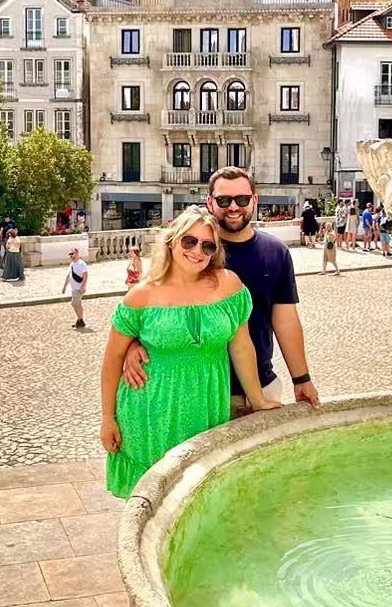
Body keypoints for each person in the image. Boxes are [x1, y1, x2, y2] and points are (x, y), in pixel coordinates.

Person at [100, 207, 277, 497]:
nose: (198, 251)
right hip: (151, 409)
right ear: (172, 241)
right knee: (155, 500)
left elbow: (241, 345)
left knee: (200, 494)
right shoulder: (141, 295)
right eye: (189, 241)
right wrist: (108, 419)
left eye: (208, 245)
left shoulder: (229, 285)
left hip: (207, 406)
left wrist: (258, 400)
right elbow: (111, 363)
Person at [122, 166, 321, 417]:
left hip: (260, 384)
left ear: (254, 201)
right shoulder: (192, 250)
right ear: (210, 202)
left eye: (242, 199)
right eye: (224, 200)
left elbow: (286, 321)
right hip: (200, 390)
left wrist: (301, 378)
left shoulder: (275, 252)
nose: (234, 207)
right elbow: (153, 304)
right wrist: (132, 343)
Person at [67, 247, 90, 329]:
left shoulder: (81, 264)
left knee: (75, 303)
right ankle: (80, 320)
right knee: (77, 304)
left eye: (72, 254)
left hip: (78, 288)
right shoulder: (72, 264)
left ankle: (80, 319)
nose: (71, 256)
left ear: (77, 254)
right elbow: (69, 276)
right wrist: (64, 286)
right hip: (74, 288)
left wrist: (83, 286)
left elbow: (85, 275)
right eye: (70, 254)